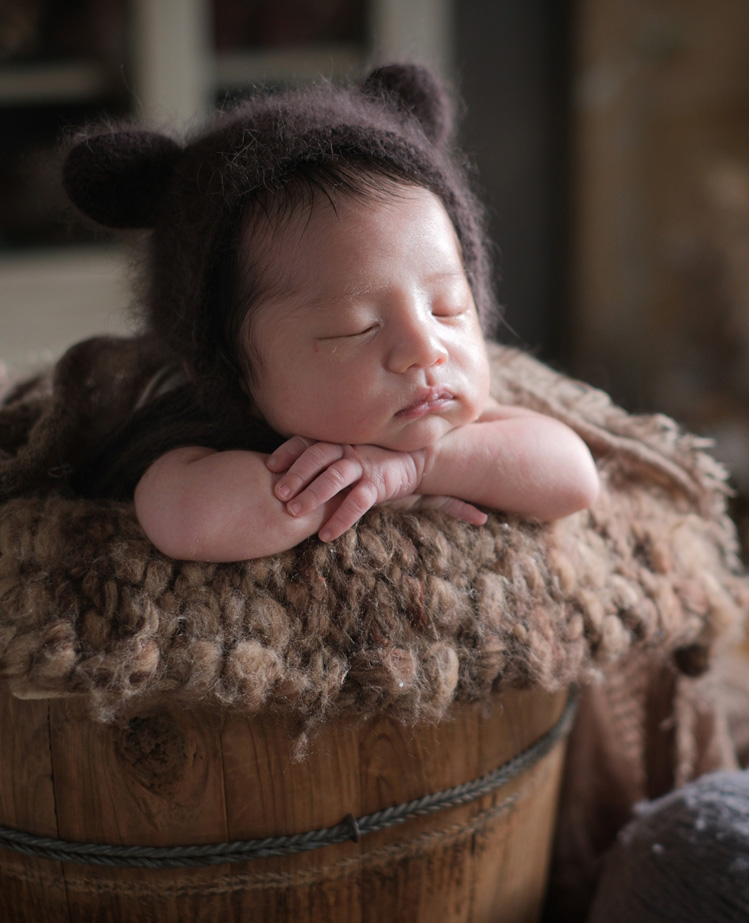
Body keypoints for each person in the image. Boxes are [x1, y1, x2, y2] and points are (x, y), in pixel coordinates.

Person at [63, 64, 598, 561]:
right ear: (227, 377)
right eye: (355, 329)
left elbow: (573, 476)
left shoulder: (452, 415)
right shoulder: (205, 437)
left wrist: (413, 468)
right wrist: (340, 485)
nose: (425, 349)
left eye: (448, 309)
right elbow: (188, 519)